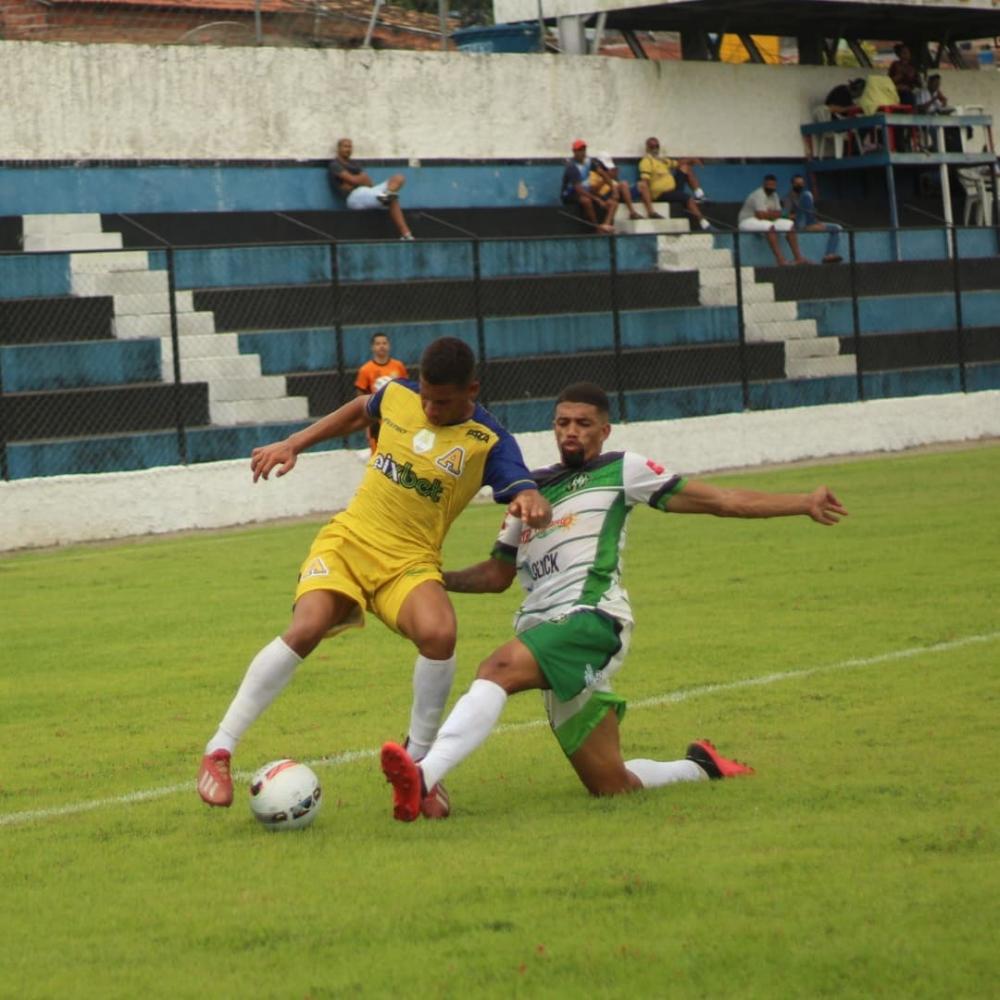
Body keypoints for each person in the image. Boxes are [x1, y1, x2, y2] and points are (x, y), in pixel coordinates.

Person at [380, 382, 848, 822]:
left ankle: (424, 775)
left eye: (583, 423)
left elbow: (721, 499)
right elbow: (496, 575)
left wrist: (802, 501)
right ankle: (701, 766)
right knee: (611, 784)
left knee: (496, 669)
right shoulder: (528, 492)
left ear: (604, 430)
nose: (571, 431)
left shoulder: (622, 469)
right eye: (563, 422)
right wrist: (432, 578)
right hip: (545, 634)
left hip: (592, 621)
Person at [197, 337, 552, 811]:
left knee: (440, 633)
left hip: (409, 561)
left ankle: (419, 766)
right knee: (307, 626)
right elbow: (359, 409)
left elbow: (524, 489)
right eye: (425, 395)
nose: (429, 407)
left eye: (442, 401)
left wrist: (531, 502)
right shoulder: (399, 395)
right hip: (349, 542)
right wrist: (294, 442)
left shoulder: (489, 440)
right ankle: (218, 751)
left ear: (472, 389)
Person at [328, 137, 414, 241]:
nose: (348, 149)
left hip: (366, 191)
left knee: (399, 178)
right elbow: (355, 180)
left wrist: (358, 180)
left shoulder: (354, 164)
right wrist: (360, 180)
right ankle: (406, 234)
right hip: (353, 197)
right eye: (345, 146)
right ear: (339, 148)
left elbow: (368, 182)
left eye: (350, 147)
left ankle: (386, 195)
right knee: (392, 198)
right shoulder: (335, 165)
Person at [636, 137, 712, 231]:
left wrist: (692, 159)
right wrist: (649, 203)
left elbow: (677, 163)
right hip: (661, 194)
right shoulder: (646, 162)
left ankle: (700, 195)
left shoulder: (661, 160)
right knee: (687, 197)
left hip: (673, 188)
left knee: (685, 167)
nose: (655, 148)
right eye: (652, 146)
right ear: (647, 148)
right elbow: (645, 183)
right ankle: (704, 223)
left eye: (657, 146)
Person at [738, 174, 810, 266]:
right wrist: (771, 214)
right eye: (769, 185)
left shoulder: (774, 195)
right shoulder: (758, 194)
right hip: (747, 220)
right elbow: (760, 215)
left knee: (789, 224)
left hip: (767, 220)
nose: (771, 187)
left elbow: (779, 213)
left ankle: (798, 258)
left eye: (773, 185)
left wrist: (768, 214)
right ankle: (780, 260)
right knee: (769, 226)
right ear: (764, 184)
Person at [354, 332, 409, 453]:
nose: (381, 346)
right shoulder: (365, 370)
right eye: (378, 344)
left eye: (384, 343)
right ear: (372, 347)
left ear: (389, 346)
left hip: (397, 416)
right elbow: (360, 398)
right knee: (378, 456)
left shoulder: (398, 366)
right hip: (376, 418)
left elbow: (406, 390)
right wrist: (366, 426)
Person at [560, 139, 618, 234]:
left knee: (613, 203)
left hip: (587, 191)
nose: (582, 153)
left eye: (583, 150)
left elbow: (603, 173)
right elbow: (578, 189)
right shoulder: (571, 166)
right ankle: (596, 226)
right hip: (571, 194)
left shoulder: (589, 161)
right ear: (574, 152)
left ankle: (606, 225)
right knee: (586, 200)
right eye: (579, 150)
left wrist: (613, 188)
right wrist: (597, 199)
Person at [784, 175, 843, 264]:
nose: (800, 186)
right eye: (797, 183)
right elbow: (786, 215)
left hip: (810, 223)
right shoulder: (788, 198)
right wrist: (798, 215)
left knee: (837, 228)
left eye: (801, 183)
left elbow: (811, 212)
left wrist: (814, 218)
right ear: (792, 184)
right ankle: (812, 223)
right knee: (807, 194)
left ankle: (829, 254)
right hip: (798, 225)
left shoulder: (805, 198)